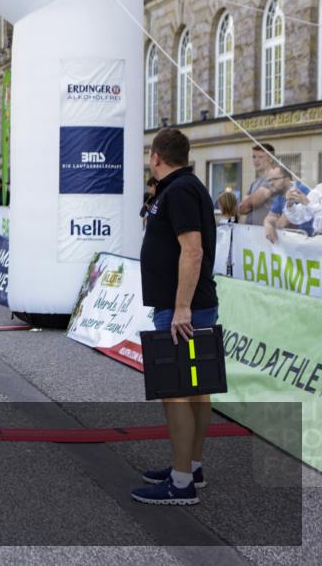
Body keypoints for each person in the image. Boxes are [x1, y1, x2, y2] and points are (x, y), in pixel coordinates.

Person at [134, 128, 217, 506]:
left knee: (178, 394)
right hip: (186, 305)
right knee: (196, 390)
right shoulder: (177, 187)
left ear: (156, 157)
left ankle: (181, 483)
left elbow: (193, 250)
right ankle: (191, 467)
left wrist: (181, 307)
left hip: (181, 308)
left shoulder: (181, 191)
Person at [263, 166, 313, 241]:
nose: (271, 183)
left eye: (275, 179)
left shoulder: (298, 190)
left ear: (287, 180)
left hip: (311, 241)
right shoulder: (280, 195)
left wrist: (273, 226)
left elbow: (283, 223)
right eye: (269, 180)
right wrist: (267, 225)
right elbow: (270, 217)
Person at [237, 143, 276, 225]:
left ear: (271, 159)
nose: (256, 160)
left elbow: (250, 204)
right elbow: (242, 209)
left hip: (266, 233)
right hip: (251, 232)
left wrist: (248, 199)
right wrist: (249, 201)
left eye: (260, 157)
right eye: (254, 157)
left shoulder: (274, 179)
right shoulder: (254, 182)